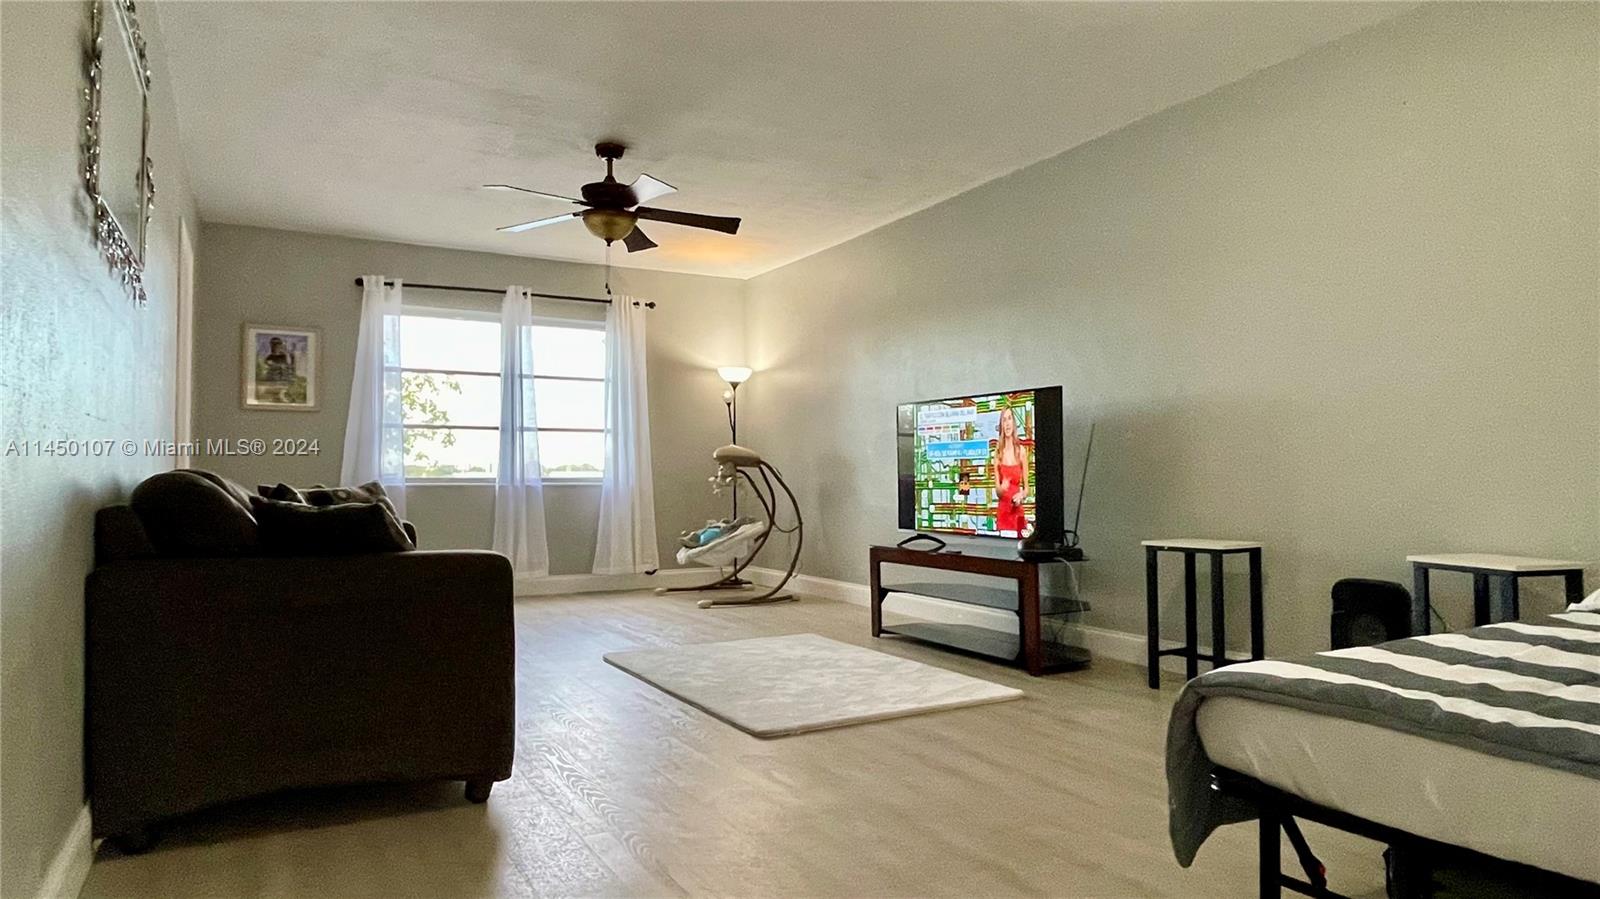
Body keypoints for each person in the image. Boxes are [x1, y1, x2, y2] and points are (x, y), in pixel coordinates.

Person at [991, 406, 1030, 536]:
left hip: (1017, 513)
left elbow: (1026, 489)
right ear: (1001, 425)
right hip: (1003, 513)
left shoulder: (1021, 452)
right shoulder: (997, 454)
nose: (1007, 423)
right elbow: (998, 492)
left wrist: (1021, 495)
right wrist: (1002, 488)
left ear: (1013, 422)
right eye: (1004, 420)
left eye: (1009, 419)